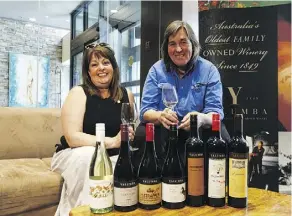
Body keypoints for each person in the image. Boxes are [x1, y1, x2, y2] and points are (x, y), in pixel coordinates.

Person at [51, 43, 135, 216]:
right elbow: (72, 137)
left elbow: (129, 128)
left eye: (105, 62)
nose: (101, 68)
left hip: (114, 154)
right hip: (74, 154)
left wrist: (129, 135)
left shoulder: (127, 95)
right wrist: (112, 142)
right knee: (92, 156)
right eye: (94, 65)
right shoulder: (79, 93)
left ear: (114, 67)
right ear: (88, 72)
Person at [139, 20, 228, 166]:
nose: (178, 49)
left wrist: (201, 118)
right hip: (165, 130)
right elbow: (145, 111)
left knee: (222, 135)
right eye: (172, 44)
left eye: (183, 42)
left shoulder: (209, 70)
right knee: (142, 133)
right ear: (166, 47)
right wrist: (160, 115)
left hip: (198, 131)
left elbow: (216, 112)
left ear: (193, 44)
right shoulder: (156, 70)